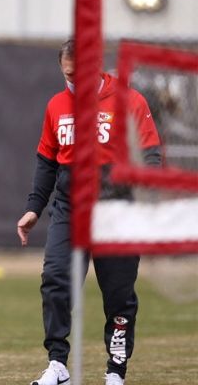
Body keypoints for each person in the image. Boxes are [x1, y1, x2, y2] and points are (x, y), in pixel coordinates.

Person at [17, 39, 161, 385]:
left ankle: (115, 371)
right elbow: (46, 161)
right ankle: (58, 364)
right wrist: (34, 208)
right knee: (55, 281)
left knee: (118, 295)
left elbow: (151, 153)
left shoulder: (129, 101)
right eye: (67, 75)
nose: (72, 82)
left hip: (117, 207)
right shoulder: (56, 105)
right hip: (70, 208)